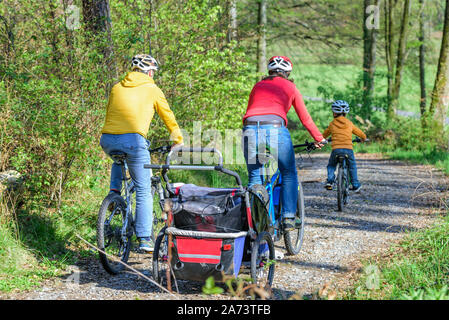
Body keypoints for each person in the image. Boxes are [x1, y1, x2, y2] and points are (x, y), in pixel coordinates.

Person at [100, 54, 184, 252]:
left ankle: (113, 193)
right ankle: (145, 237)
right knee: (144, 189)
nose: (153, 74)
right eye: (153, 71)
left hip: (108, 139)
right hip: (134, 141)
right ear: (148, 71)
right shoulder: (152, 89)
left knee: (118, 159)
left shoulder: (116, 87)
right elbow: (167, 116)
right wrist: (177, 139)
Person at [242, 56, 326, 231]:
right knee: (288, 172)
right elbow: (305, 118)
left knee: (254, 176)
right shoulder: (291, 87)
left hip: (250, 128)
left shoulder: (258, 86)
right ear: (287, 73)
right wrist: (319, 138)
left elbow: (251, 111)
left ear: (270, 72)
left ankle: (254, 222)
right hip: (275, 128)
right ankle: (288, 217)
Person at [322, 100, 366, 193]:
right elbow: (360, 133)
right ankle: (355, 184)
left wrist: (320, 140)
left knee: (331, 165)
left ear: (334, 113)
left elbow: (324, 135)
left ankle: (330, 181)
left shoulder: (332, 124)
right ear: (345, 113)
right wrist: (363, 138)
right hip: (348, 149)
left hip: (336, 150)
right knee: (352, 166)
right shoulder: (349, 123)